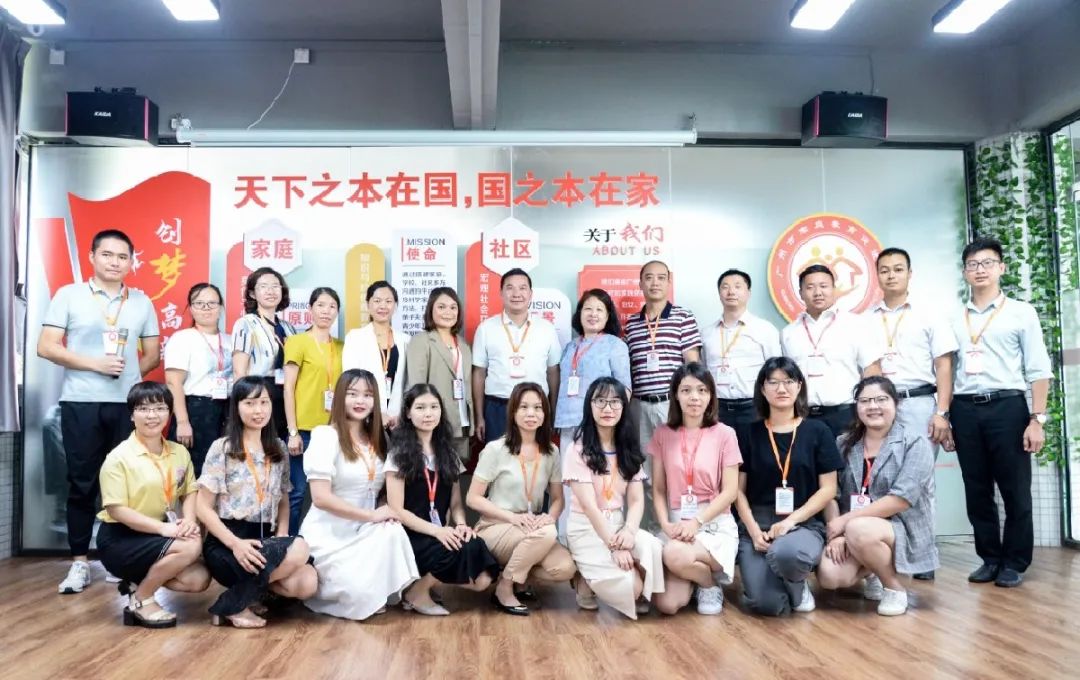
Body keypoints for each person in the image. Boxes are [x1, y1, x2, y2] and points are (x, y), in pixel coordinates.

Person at [37, 228, 161, 595]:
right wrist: (96, 365)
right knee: (82, 482)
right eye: (107, 254)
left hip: (126, 406)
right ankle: (79, 561)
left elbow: (152, 353)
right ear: (92, 257)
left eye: (123, 257)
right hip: (81, 401)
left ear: (131, 262)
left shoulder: (141, 301)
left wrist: (130, 377)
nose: (115, 262)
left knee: (128, 483)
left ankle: (120, 560)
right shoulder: (69, 295)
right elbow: (47, 347)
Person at [949, 237, 1051, 588]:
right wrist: (945, 414)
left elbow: (1039, 369)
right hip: (964, 408)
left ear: (1001, 268)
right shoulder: (954, 317)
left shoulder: (1022, 312)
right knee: (976, 488)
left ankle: (1015, 561)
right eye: (973, 264)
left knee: (1015, 488)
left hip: (1007, 407)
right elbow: (947, 370)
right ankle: (990, 558)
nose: (980, 270)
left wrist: (1037, 420)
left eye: (987, 263)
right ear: (965, 272)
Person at [196, 376, 318, 628]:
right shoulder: (222, 448)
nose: (258, 410)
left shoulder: (279, 448)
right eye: (250, 403)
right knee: (300, 548)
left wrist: (281, 538)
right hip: (228, 541)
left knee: (307, 582)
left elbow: (283, 498)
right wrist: (235, 544)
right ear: (236, 407)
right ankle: (234, 605)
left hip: (265, 537)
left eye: (264, 402)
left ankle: (241, 598)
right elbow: (202, 507)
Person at [299, 369, 419, 621]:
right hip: (330, 533)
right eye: (352, 394)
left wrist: (383, 509)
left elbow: (383, 488)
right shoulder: (326, 436)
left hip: (365, 528)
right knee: (357, 596)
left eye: (368, 395)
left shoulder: (379, 439)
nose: (360, 401)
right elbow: (320, 498)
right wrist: (371, 516)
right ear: (340, 397)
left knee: (393, 529)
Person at [869, 247, 957, 580]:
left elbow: (944, 365)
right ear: (877, 275)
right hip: (881, 406)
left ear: (910, 273)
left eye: (898, 269)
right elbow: (868, 365)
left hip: (920, 403)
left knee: (922, 481)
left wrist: (942, 412)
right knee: (880, 479)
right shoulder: (866, 319)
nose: (891, 275)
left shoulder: (930, 314)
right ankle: (884, 554)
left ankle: (923, 556)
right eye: (884, 270)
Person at [817, 377, 938, 616]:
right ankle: (873, 568)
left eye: (881, 399)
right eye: (865, 401)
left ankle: (893, 588)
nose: (873, 406)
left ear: (895, 403)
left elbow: (901, 499)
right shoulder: (843, 443)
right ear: (856, 406)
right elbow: (832, 494)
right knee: (830, 576)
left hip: (901, 526)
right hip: (854, 529)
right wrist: (836, 535)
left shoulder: (915, 442)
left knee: (859, 528)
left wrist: (846, 522)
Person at [735, 357, 843, 616]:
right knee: (766, 605)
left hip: (803, 522)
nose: (781, 389)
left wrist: (790, 522)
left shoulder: (818, 431)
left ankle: (797, 584)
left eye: (788, 381)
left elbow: (828, 489)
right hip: (758, 523)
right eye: (773, 382)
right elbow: (736, 490)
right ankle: (784, 580)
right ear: (762, 389)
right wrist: (753, 530)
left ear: (799, 386)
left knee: (787, 554)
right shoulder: (748, 433)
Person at [96, 381, 210, 628]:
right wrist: (164, 529)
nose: (152, 415)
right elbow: (116, 509)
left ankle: (137, 582)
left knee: (198, 578)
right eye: (143, 409)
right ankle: (142, 599)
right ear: (132, 415)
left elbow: (189, 490)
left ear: (169, 413)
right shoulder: (118, 457)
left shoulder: (179, 452)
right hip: (120, 538)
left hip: (157, 534)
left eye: (159, 408)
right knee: (190, 546)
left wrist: (189, 521)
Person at [385, 384, 499, 615]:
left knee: (482, 576)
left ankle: (423, 584)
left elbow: (455, 504)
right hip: (410, 534)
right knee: (453, 549)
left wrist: (461, 525)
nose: (428, 414)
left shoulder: (448, 453)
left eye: (434, 407)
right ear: (408, 413)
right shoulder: (398, 455)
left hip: (440, 531)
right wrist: (437, 531)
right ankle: (417, 593)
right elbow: (397, 510)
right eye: (420, 408)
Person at [467, 382, 575, 616]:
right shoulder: (496, 449)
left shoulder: (551, 452)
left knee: (565, 567)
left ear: (545, 414)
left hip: (532, 527)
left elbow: (558, 499)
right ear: (513, 412)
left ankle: (515, 576)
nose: (531, 413)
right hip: (495, 527)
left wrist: (549, 517)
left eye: (537, 407)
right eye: (524, 407)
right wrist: (511, 518)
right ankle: (505, 587)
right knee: (546, 534)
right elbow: (473, 498)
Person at [564, 377, 665, 619]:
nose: (607, 408)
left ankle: (629, 583)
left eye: (615, 402)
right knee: (633, 588)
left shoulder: (627, 448)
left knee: (651, 545)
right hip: (587, 528)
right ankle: (584, 579)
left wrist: (629, 531)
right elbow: (589, 506)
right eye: (600, 401)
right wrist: (614, 547)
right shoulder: (577, 450)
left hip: (619, 525)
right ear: (589, 406)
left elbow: (637, 501)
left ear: (623, 406)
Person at [648, 363, 742, 616]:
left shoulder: (725, 434)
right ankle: (698, 577)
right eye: (686, 390)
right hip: (677, 524)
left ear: (711, 396)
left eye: (702, 390)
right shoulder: (662, 433)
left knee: (674, 554)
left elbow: (730, 491)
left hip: (713, 523)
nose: (694, 397)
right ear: (676, 395)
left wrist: (697, 522)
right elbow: (658, 489)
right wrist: (666, 524)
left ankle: (709, 584)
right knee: (667, 605)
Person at [624, 260, 702, 531]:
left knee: (678, 467)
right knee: (646, 469)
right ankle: (655, 528)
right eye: (648, 277)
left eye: (660, 277)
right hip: (640, 406)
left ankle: (680, 525)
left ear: (669, 282)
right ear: (640, 283)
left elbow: (692, 365)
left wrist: (690, 403)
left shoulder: (683, 317)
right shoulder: (631, 324)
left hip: (672, 405)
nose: (654, 283)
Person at [780, 264, 882, 438]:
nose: (818, 292)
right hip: (802, 417)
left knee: (848, 457)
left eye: (824, 286)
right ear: (801, 293)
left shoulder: (856, 324)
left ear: (834, 290)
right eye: (810, 287)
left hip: (846, 415)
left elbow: (872, 370)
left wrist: (868, 411)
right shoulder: (789, 332)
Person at [472, 268, 561, 443]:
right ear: (501, 293)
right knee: (498, 457)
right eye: (510, 288)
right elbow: (479, 373)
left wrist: (553, 411)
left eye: (522, 288)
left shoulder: (546, 329)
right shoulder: (486, 328)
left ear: (530, 294)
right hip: (497, 407)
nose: (516, 294)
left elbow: (553, 371)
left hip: (536, 408)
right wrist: (479, 416)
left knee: (535, 457)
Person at [283, 287, 344, 534]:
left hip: (334, 431)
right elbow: (288, 388)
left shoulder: (341, 346)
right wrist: (293, 431)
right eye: (321, 305)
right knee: (297, 492)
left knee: (333, 492)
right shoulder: (297, 342)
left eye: (332, 306)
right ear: (310, 309)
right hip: (304, 431)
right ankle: (289, 543)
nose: (326, 311)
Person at [701, 269, 780, 440]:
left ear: (748, 293)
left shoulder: (765, 329)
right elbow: (704, 371)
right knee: (719, 455)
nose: (731, 291)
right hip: (717, 410)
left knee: (755, 455)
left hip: (754, 409)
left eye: (737, 286)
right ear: (719, 293)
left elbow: (775, 373)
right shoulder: (706, 333)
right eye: (725, 287)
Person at [164, 283, 232, 476]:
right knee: (192, 472)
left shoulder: (231, 339)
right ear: (191, 308)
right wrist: (183, 422)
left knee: (222, 470)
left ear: (221, 307)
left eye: (212, 303)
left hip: (227, 411)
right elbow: (173, 382)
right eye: (199, 303)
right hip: (196, 411)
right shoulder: (182, 338)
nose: (206, 308)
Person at [554, 289, 631, 455]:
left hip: (599, 424)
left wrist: (613, 422)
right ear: (580, 313)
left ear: (608, 316)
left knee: (596, 469)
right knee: (568, 470)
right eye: (588, 308)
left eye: (599, 309)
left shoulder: (615, 345)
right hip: (567, 423)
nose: (593, 314)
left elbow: (624, 389)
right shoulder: (570, 346)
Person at [405, 287, 474, 461]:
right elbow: (417, 387)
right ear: (431, 309)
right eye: (441, 307)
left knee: (458, 471)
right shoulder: (421, 341)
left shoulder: (463, 345)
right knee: (436, 471)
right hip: (435, 422)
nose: (448, 312)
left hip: (462, 422)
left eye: (453, 307)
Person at [230, 267, 297, 441]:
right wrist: (243, 405)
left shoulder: (288, 328)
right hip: (258, 394)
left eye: (275, 286)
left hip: (286, 394)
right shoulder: (246, 324)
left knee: (281, 447)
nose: (270, 291)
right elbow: (239, 371)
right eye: (264, 286)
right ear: (252, 294)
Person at [342, 281, 409, 428]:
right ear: (368, 305)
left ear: (395, 306)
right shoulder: (355, 337)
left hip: (397, 420)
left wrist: (402, 415)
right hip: (364, 417)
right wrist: (375, 413)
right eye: (377, 301)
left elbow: (408, 383)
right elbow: (351, 380)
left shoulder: (406, 340)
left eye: (388, 301)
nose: (383, 306)